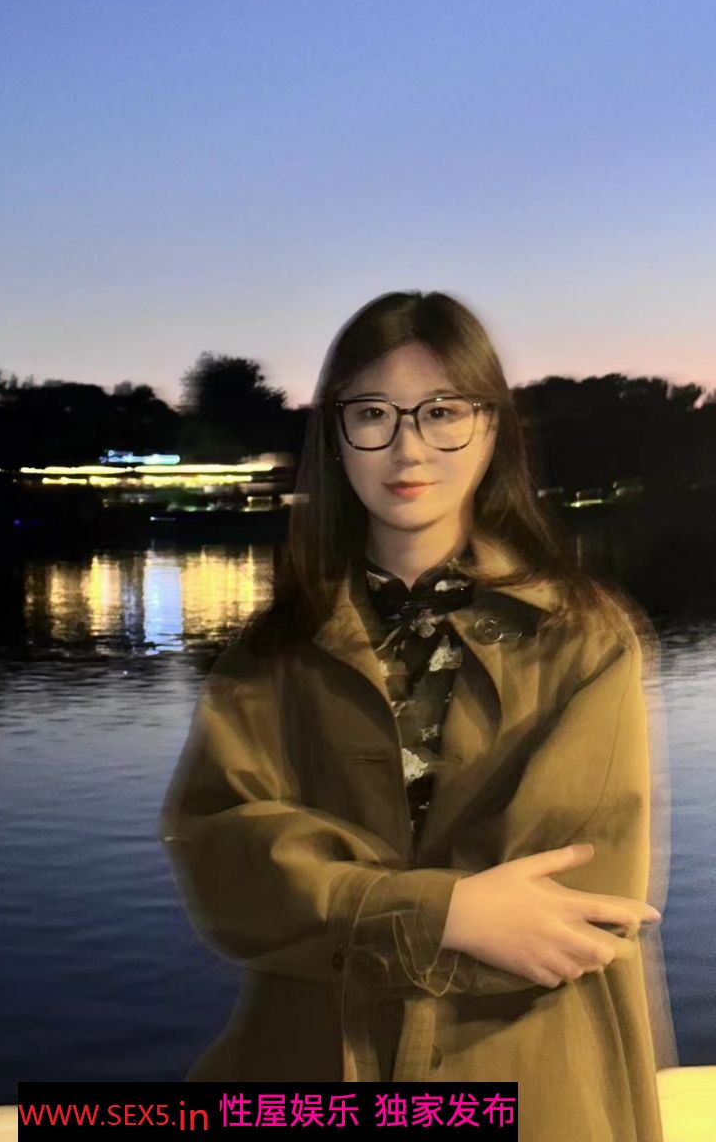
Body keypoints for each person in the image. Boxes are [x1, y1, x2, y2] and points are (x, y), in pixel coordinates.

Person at [158, 291, 676, 1140]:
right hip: (312, 1069)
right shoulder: (274, 650)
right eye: (372, 414)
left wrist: (338, 905)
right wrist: (447, 914)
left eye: (442, 412)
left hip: (524, 1078)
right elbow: (225, 861)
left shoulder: (582, 637)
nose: (407, 448)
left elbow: (575, 909)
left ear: (491, 428)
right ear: (334, 436)